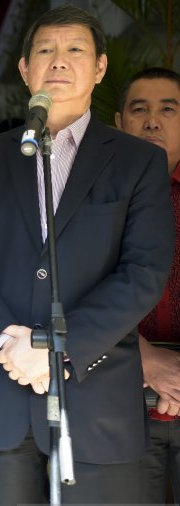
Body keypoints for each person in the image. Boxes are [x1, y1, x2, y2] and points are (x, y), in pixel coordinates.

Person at [0, 6, 174, 505]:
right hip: (1, 401)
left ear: (100, 68)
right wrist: (7, 342)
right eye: (45, 50)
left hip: (98, 403)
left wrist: (58, 349)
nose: (58, 61)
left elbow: (144, 271)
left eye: (75, 50)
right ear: (25, 69)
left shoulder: (137, 161)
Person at [115, 66, 180, 504]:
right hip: (120, 399)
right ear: (119, 123)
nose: (153, 120)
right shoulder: (96, 198)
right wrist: (141, 356)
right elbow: (74, 287)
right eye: (139, 110)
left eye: (168, 110)